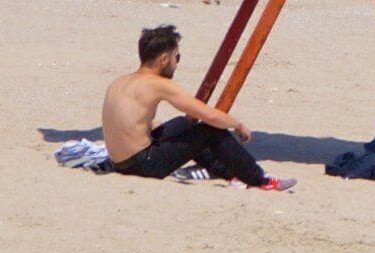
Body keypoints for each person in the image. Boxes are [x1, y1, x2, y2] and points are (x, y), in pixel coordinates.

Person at [102, 23, 290, 190]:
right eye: (177, 57)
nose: (177, 64)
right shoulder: (158, 84)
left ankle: (228, 173)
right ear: (164, 59)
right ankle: (260, 180)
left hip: (119, 161)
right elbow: (210, 116)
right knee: (210, 131)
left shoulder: (120, 82)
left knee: (183, 124)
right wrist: (238, 125)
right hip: (143, 164)